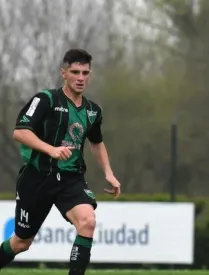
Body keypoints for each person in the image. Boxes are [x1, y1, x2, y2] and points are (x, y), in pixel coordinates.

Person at [0, 49, 121, 275]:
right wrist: (51, 150)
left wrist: (109, 172)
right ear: (63, 73)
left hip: (70, 179)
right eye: (75, 72)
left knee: (87, 221)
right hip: (37, 178)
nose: (80, 77)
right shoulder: (45, 99)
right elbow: (20, 132)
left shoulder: (93, 111)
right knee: (21, 243)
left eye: (85, 72)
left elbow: (96, 142)